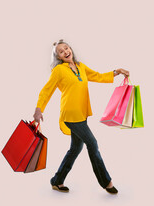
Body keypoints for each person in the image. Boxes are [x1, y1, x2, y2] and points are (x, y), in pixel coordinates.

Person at [33, 39, 130, 194]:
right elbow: (47, 90)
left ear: (70, 48)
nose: (65, 52)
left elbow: (98, 76)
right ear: (58, 57)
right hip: (70, 115)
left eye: (66, 48)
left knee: (75, 148)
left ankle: (57, 181)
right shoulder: (58, 71)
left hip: (82, 114)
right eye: (61, 51)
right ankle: (107, 182)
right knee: (93, 144)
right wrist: (39, 109)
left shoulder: (80, 67)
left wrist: (116, 72)